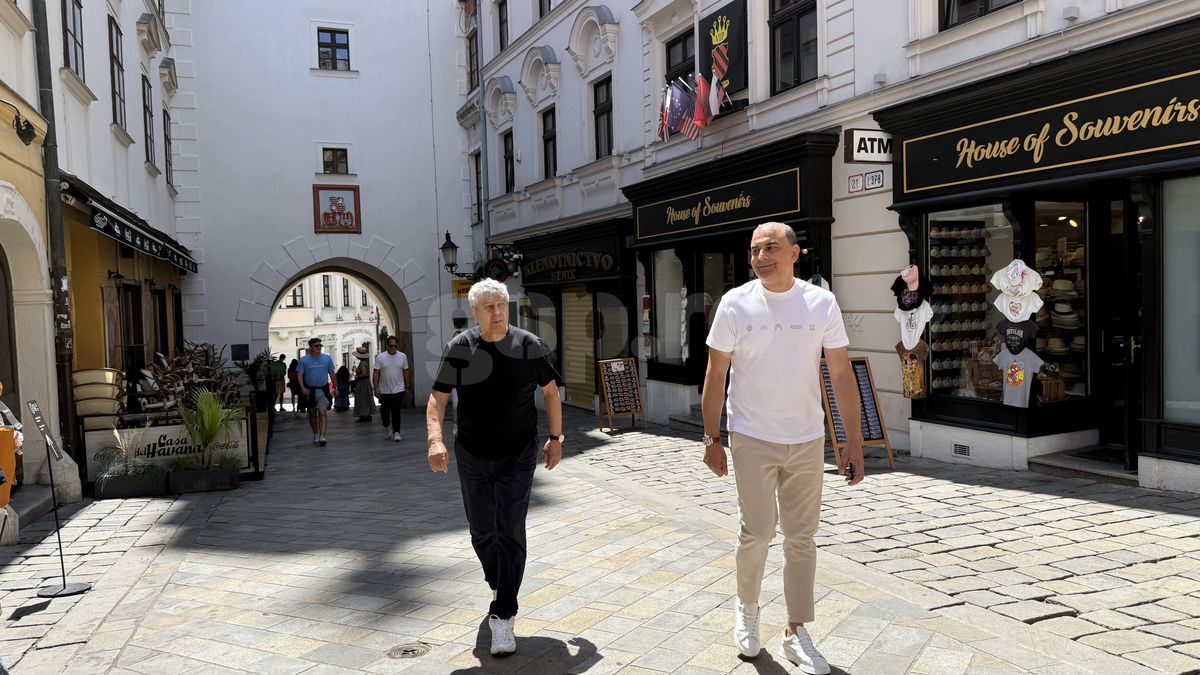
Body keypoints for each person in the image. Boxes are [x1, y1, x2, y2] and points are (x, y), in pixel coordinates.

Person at [701, 222, 864, 674]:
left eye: (770, 248)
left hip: (807, 438)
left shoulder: (820, 302)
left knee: (802, 538)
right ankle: (748, 608)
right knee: (756, 532)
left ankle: (796, 629)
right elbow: (716, 375)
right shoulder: (735, 303)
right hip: (751, 437)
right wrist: (712, 438)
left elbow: (841, 373)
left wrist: (852, 440)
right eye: (754, 250)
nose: (760, 257)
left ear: (795, 253)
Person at [426, 279, 563, 656]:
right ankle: (500, 580)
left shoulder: (528, 345)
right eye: (489, 307)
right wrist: (435, 440)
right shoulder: (460, 347)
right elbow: (437, 399)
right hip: (471, 453)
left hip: (518, 452)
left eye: (502, 304)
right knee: (482, 531)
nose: (498, 312)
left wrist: (556, 438)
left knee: (510, 528)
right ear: (475, 312)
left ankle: (504, 613)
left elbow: (549, 392)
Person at [297, 337, 337, 446]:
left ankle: (323, 436)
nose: (319, 347)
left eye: (320, 345)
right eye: (316, 345)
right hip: (310, 391)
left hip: (323, 390)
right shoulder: (304, 360)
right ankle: (316, 434)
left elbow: (332, 373)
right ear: (310, 347)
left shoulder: (327, 359)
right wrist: (302, 388)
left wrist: (336, 387)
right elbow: (299, 375)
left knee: (322, 412)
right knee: (312, 414)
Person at [373, 336, 411, 441]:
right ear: (387, 345)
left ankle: (396, 432)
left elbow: (406, 371)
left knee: (396, 410)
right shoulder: (380, 357)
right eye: (391, 346)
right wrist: (376, 388)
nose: (393, 348)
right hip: (384, 389)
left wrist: (407, 385)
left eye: (395, 346)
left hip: (398, 388)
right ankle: (386, 426)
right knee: (384, 412)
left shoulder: (402, 356)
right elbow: (376, 373)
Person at [353, 344, 377, 422]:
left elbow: (365, 373)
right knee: (366, 398)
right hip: (365, 382)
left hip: (363, 383)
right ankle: (366, 414)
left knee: (362, 398)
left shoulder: (362, 363)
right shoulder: (364, 362)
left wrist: (357, 377)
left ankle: (364, 415)